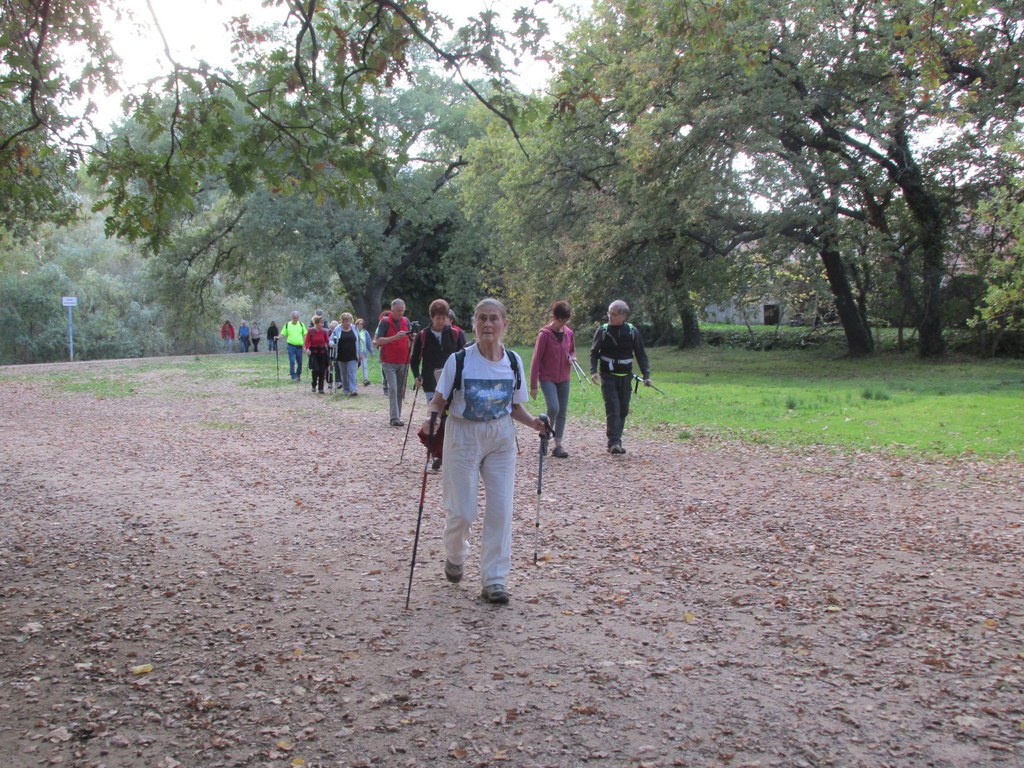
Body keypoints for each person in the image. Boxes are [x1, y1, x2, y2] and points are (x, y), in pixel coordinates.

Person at [422, 298, 548, 606]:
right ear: (474, 324)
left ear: (504, 323)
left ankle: (494, 579)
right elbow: (438, 401)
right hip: (463, 434)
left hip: (501, 436)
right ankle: (455, 554)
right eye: (482, 319)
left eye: (493, 319)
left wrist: (534, 423)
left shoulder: (514, 361)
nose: (488, 324)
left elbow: (514, 406)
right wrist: (431, 418)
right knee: (462, 511)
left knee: (501, 509)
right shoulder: (460, 361)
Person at [590, 300, 652, 455]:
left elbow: (640, 354)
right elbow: (594, 352)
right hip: (608, 376)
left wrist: (646, 375)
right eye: (609, 313)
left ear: (623, 316)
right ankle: (614, 442)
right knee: (613, 408)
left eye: (614, 314)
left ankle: (617, 439)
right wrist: (593, 371)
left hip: (625, 377)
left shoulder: (632, 331)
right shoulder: (602, 331)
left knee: (623, 409)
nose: (610, 316)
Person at [530, 300, 576, 459]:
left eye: (565, 321)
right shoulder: (544, 335)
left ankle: (558, 444)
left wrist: (572, 358)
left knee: (562, 410)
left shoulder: (569, 333)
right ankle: (544, 438)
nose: (562, 324)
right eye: (560, 320)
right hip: (547, 377)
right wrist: (533, 385)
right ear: (554, 317)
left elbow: (572, 351)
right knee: (554, 408)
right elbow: (536, 360)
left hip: (564, 377)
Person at [411, 298, 467, 404]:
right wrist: (417, 376)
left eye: (443, 318)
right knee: (434, 412)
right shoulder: (423, 335)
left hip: (452, 382)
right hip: (430, 382)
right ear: (432, 317)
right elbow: (414, 360)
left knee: (448, 414)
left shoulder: (456, 334)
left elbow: (464, 357)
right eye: (438, 318)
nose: (441, 321)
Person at [374, 298, 413, 426]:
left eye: (402, 311)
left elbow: (410, 339)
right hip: (388, 361)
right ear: (392, 310)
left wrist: (413, 338)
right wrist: (395, 337)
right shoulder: (384, 322)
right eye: (397, 311)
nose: (400, 314)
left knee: (401, 390)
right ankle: (394, 418)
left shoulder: (406, 321)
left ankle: (397, 416)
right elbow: (378, 341)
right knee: (393, 388)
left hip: (403, 360)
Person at [329, 313, 363, 396]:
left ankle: (353, 389)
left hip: (352, 354)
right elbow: (331, 339)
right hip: (341, 355)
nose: (348, 323)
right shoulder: (337, 329)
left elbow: (358, 341)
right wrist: (332, 344)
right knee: (344, 373)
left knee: (351, 372)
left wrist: (360, 353)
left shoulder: (354, 328)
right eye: (346, 321)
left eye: (349, 321)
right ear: (342, 321)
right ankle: (346, 389)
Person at [305, 315, 331, 394]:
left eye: (322, 323)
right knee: (315, 370)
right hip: (314, 353)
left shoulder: (324, 331)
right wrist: (307, 349)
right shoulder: (310, 331)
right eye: (320, 323)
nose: (322, 324)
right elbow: (307, 342)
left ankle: (321, 388)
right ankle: (314, 384)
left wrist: (332, 344)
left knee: (322, 370)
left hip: (323, 353)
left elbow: (327, 341)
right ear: (316, 323)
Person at [279, 311, 306, 382]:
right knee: (292, 361)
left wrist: (306, 346)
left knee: (300, 362)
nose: (296, 319)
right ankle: (293, 376)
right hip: (291, 346)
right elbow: (283, 334)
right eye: (294, 318)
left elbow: (305, 335)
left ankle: (298, 374)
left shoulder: (301, 324)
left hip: (299, 347)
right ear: (292, 317)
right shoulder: (287, 325)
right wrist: (278, 337)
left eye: (297, 318)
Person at [355, 318, 373, 386]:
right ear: (356, 324)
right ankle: (354, 379)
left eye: (361, 324)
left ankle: (366, 380)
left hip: (363, 352)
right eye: (358, 323)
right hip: (355, 353)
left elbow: (368, 342)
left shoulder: (365, 332)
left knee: (364, 366)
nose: (360, 325)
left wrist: (371, 351)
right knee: (355, 366)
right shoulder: (354, 331)